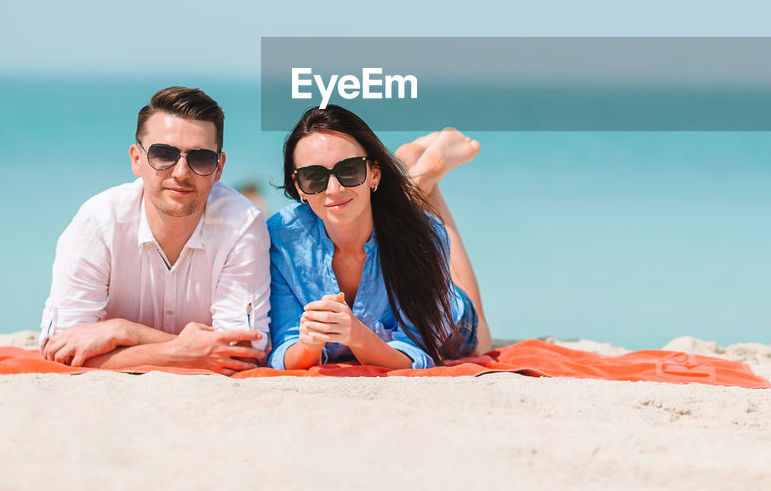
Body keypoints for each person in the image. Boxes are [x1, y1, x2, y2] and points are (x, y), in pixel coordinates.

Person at [39, 86, 270, 375]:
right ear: (136, 159)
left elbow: (241, 355)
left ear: (219, 167)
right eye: (164, 154)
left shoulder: (241, 224)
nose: (181, 173)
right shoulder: (98, 222)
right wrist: (177, 351)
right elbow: (61, 351)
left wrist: (126, 333)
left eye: (200, 158)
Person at [267, 105, 491, 370]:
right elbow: (284, 348)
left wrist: (357, 335)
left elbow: (417, 356)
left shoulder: (423, 237)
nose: (334, 189)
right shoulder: (282, 239)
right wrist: (309, 345)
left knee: (483, 339)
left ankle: (428, 177)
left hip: (447, 310)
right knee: (408, 220)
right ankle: (420, 178)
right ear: (298, 187)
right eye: (313, 177)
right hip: (395, 220)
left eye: (349, 170)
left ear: (374, 174)